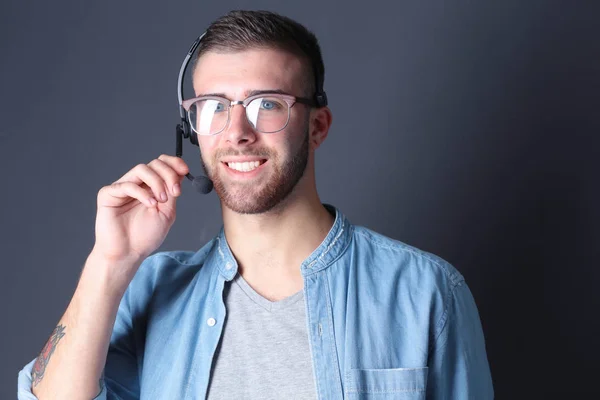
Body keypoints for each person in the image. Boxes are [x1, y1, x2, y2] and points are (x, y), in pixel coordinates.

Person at [18, 10, 493, 400]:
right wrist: (109, 262)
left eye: (267, 104)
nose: (237, 132)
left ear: (318, 126)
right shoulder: (150, 292)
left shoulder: (426, 293)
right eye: (214, 106)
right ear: (191, 130)